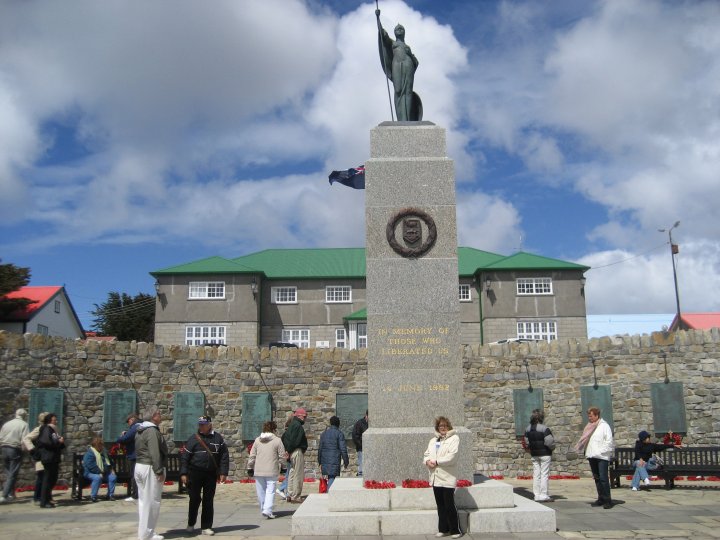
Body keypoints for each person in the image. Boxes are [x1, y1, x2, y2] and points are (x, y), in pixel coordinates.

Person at [180, 415, 229, 536]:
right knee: (194, 499)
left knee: (208, 500)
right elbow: (185, 457)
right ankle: (191, 523)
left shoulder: (218, 438)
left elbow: (224, 456)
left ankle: (206, 526)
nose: (201, 426)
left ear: (209, 425)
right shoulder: (193, 439)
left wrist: (223, 472)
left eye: (203, 424)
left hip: (210, 474)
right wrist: (184, 473)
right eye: (199, 424)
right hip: (195, 472)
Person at [376, 8, 421, 121]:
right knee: (398, 90)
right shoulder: (392, 43)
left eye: (401, 29)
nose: (399, 29)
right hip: (396, 65)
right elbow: (382, 33)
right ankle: (401, 119)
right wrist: (378, 18)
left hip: (408, 65)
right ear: (395, 32)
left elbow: (416, 61)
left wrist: (410, 54)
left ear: (404, 32)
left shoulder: (407, 46)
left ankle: (407, 119)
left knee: (408, 91)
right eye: (397, 29)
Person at [424, 416, 462, 539]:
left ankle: (455, 530)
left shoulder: (454, 439)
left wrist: (436, 462)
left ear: (449, 426)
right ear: (437, 428)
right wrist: (427, 462)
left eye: (445, 425)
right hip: (435, 477)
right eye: (440, 426)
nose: (443, 428)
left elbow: (452, 456)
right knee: (440, 505)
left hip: (447, 477)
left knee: (449, 504)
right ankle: (443, 529)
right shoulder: (433, 440)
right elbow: (426, 454)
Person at [134, 409, 168, 540]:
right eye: (159, 414)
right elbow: (155, 452)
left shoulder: (140, 430)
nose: (161, 416)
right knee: (152, 501)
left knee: (144, 501)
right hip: (149, 467)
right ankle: (148, 533)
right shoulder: (152, 431)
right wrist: (158, 470)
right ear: (154, 417)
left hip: (140, 466)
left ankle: (144, 532)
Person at [575, 406, 614, 509]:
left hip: (601, 456)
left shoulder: (604, 426)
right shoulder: (590, 426)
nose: (589, 418)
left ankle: (607, 500)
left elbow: (609, 442)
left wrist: (599, 451)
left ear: (597, 415)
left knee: (603, 478)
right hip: (592, 456)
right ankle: (601, 498)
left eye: (591, 416)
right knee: (597, 478)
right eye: (588, 416)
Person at [247, 420, 285, 519]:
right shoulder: (277, 440)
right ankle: (267, 510)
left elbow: (252, 455)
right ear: (274, 429)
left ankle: (264, 508)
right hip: (271, 469)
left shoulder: (257, 440)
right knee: (270, 490)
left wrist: (250, 467)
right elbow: (282, 456)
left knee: (261, 491)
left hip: (259, 469)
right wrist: (283, 467)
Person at [524, 409, 556, 502]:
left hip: (534, 454)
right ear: (541, 417)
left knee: (536, 474)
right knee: (544, 474)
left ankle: (536, 495)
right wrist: (552, 448)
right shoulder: (544, 428)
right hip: (545, 453)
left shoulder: (528, 428)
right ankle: (543, 495)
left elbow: (526, 443)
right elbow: (549, 442)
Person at [36, 412, 65, 508]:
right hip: (48, 457)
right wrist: (58, 441)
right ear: (49, 421)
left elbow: (55, 442)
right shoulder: (45, 429)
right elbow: (46, 442)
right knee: (47, 479)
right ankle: (44, 502)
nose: (56, 421)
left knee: (53, 478)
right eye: (54, 420)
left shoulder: (53, 430)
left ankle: (48, 498)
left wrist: (60, 442)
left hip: (53, 458)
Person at [0, 408, 29, 503]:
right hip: (14, 449)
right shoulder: (24, 425)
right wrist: (25, 451)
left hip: (4, 448)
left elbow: (1, 437)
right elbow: (24, 439)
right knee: (13, 473)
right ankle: (4, 495)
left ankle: (11, 494)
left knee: (8, 472)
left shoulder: (7, 424)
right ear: (24, 416)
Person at [281, 407, 308, 503]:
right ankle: (296, 496)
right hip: (296, 451)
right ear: (300, 416)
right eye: (304, 416)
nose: (305, 419)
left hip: (291, 451)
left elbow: (284, 438)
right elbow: (294, 440)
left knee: (292, 473)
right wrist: (289, 450)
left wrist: (287, 451)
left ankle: (290, 493)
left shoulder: (292, 425)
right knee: (298, 474)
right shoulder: (297, 426)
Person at [22, 411, 49, 505]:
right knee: (41, 477)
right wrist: (33, 450)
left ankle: (44, 497)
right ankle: (37, 497)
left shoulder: (48, 429)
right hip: (41, 456)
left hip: (47, 456)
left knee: (46, 477)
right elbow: (26, 438)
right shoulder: (39, 429)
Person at [83, 435, 117, 502]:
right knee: (97, 478)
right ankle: (93, 496)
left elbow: (110, 461)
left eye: (102, 445)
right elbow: (91, 466)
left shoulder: (104, 452)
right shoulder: (90, 453)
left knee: (113, 477)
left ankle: (110, 495)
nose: (102, 447)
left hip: (105, 472)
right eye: (100, 445)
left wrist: (112, 469)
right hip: (90, 473)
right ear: (96, 445)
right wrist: (99, 472)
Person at [318, 416, 349, 490]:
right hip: (334, 460)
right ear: (338, 424)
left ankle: (329, 492)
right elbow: (343, 449)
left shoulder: (324, 434)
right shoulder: (339, 434)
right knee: (332, 477)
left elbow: (320, 449)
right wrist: (346, 461)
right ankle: (330, 495)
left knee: (330, 477)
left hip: (325, 460)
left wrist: (319, 461)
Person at [117, 412, 142, 501]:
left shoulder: (135, 427)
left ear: (132, 419)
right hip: (138, 455)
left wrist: (119, 438)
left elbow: (124, 439)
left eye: (128, 422)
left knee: (135, 476)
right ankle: (137, 494)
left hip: (134, 455)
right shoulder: (140, 425)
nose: (128, 424)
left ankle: (135, 495)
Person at [276, 412, 294, 499]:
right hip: (289, 456)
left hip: (287, 455)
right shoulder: (288, 435)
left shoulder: (285, 434)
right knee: (289, 474)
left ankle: (285, 490)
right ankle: (282, 489)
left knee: (289, 473)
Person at [352, 410, 368, 477]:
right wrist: (361, 445)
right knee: (361, 468)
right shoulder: (360, 423)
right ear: (366, 415)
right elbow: (355, 436)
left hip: (371, 449)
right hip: (362, 449)